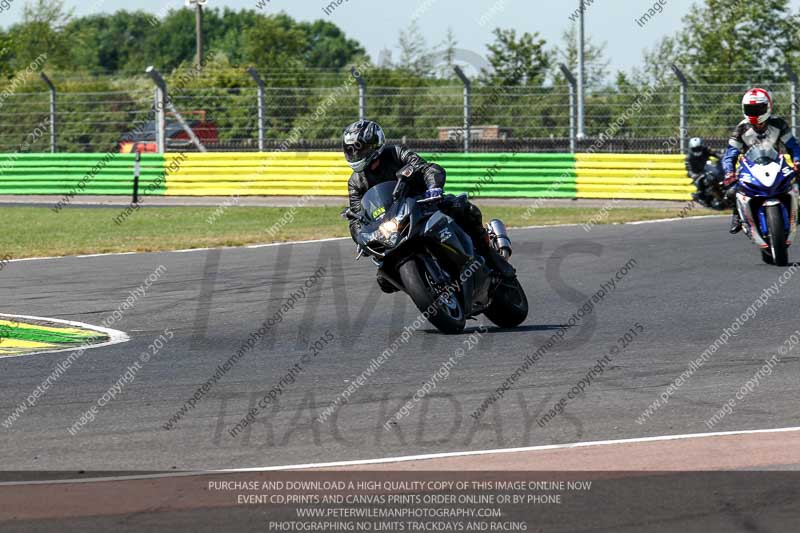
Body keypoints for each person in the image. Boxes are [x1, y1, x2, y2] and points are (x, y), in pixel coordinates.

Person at [342, 119, 515, 291]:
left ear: (374, 144)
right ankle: (429, 288)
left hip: (424, 204)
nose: (355, 153)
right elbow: (356, 218)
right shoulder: (355, 182)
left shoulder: (396, 153)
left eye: (360, 148)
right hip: (392, 226)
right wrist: (362, 238)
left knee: (464, 209)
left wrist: (433, 187)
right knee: (384, 278)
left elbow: (426, 169)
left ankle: (493, 258)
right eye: (351, 149)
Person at [723, 88, 800, 233]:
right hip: (750, 166)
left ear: (768, 107)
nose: (755, 113)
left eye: (759, 109)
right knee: (732, 190)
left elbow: (793, 146)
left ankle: (797, 208)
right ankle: (737, 214)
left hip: (776, 163)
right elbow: (730, 154)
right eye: (751, 109)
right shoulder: (741, 128)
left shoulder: (778, 124)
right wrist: (729, 172)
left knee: (796, 179)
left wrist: (797, 161)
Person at [685, 137, 720, 207]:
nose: (697, 150)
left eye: (698, 148)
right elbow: (689, 169)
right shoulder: (689, 157)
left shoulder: (706, 150)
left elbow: (716, 154)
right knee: (702, 181)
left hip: (709, 169)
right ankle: (701, 197)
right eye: (695, 149)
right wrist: (693, 174)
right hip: (697, 173)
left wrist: (722, 157)